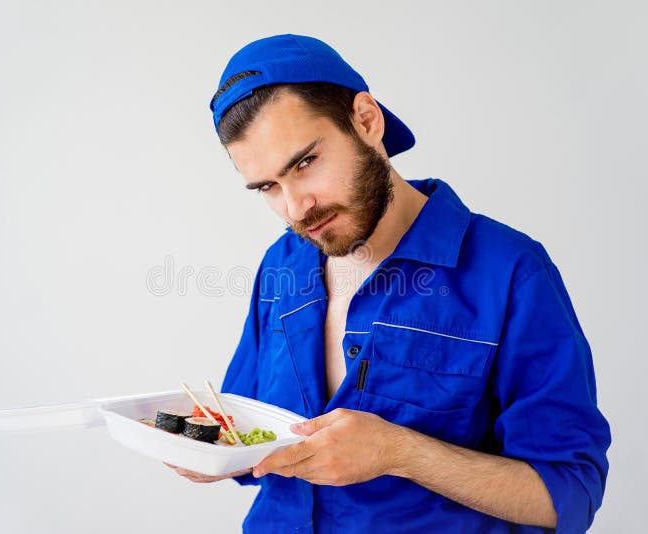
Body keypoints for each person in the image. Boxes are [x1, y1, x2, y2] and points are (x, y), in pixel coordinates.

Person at [168, 34, 611, 534]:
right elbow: (251, 438)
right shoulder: (283, 264)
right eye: (268, 186)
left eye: (305, 163)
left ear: (366, 120)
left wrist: (401, 453)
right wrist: (206, 450)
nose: (295, 208)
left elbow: (568, 495)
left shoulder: (511, 273)